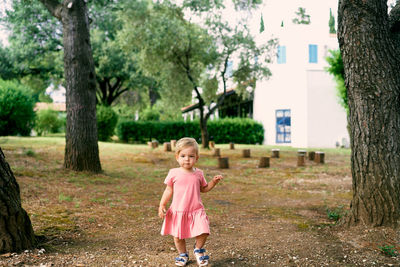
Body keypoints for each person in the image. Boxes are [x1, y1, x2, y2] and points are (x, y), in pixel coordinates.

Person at [158, 137, 223, 266]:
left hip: (196, 209)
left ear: (196, 158)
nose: (187, 159)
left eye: (191, 156)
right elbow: (168, 190)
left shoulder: (199, 173)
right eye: (183, 155)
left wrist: (213, 182)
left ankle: (198, 249)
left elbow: (204, 189)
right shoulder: (173, 173)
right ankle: (183, 254)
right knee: (178, 236)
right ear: (177, 157)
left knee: (204, 230)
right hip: (179, 210)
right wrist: (162, 205)